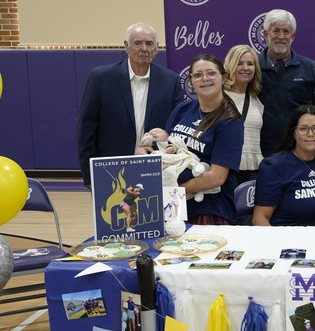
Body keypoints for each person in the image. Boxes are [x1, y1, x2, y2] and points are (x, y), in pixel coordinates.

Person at [77, 22, 184, 187]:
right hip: (111, 170)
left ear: (156, 48)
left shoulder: (171, 80)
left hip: (156, 168)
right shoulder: (101, 78)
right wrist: (90, 176)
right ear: (126, 46)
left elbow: (178, 126)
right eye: (137, 43)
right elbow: (86, 129)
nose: (144, 48)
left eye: (149, 44)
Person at [161, 54, 244, 225]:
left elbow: (217, 177)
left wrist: (171, 190)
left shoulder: (230, 121)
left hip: (208, 209)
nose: (204, 78)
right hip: (173, 205)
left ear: (224, 78)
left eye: (211, 73)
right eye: (198, 75)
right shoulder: (182, 109)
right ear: (191, 81)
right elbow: (165, 146)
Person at [253, 105, 315, 226]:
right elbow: (260, 218)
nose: (310, 134)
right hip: (288, 239)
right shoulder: (274, 166)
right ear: (294, 133)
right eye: (303, 129)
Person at [257, 9, 315, 157]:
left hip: (300, 148)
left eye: (286, 31)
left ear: (293, 36)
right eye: (275, 31)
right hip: (263, 150)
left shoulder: (308, 67)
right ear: (266, 34)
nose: (281, 36)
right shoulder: (254, 67)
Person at [224, 45, 265, 183]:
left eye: (250, 64)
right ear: (230, 66)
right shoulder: (219, 97)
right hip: (227, 170)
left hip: (255, 171)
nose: (245, 68)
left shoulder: (256, 97)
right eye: (239, 63)